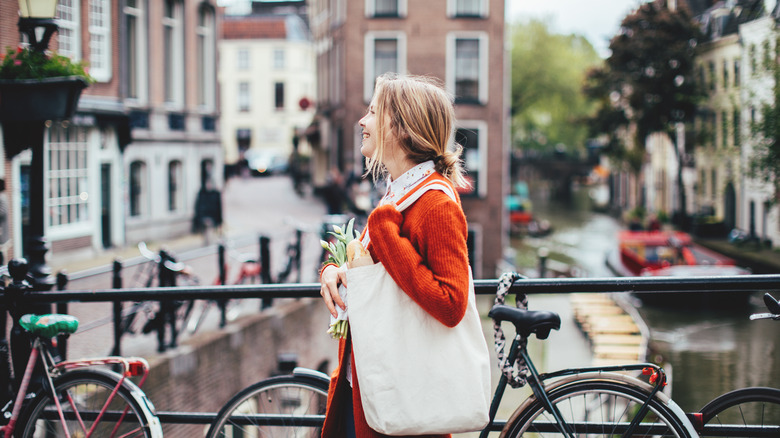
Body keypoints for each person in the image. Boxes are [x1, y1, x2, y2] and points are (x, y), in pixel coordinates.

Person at [319, 73, 472, 438]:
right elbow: (375, 266)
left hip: (401, 402)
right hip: (370, 386)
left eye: (373, 112)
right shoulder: (398, 193)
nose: (362, 121)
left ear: (401, 128)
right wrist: (333, 270)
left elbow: (452, 304)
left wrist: (385, 231)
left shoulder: (434, 203)